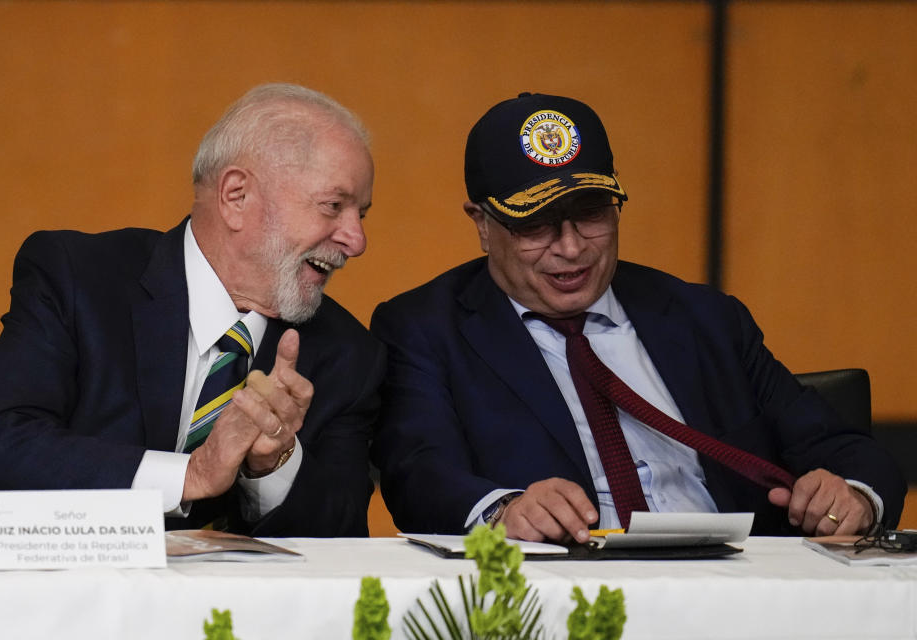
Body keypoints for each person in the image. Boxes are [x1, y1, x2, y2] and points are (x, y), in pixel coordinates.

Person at [370, 92, 906, 543]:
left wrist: (854, 494)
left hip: (741, 591)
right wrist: (503, 510)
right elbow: (418, 470)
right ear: (482, 224)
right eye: (536, 225)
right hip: (567, 591)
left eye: (590, 215)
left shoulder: (705, 318)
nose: (571, 248)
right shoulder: (425, 328)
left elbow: (843, 447)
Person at [0, 83, 384, 536]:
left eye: (361, 214)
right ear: (236, 196)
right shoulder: (78, 279)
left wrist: (274, 464)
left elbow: (344, 541)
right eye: (333, 206)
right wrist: (192, 475)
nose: (355, 241)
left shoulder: (348, 353)